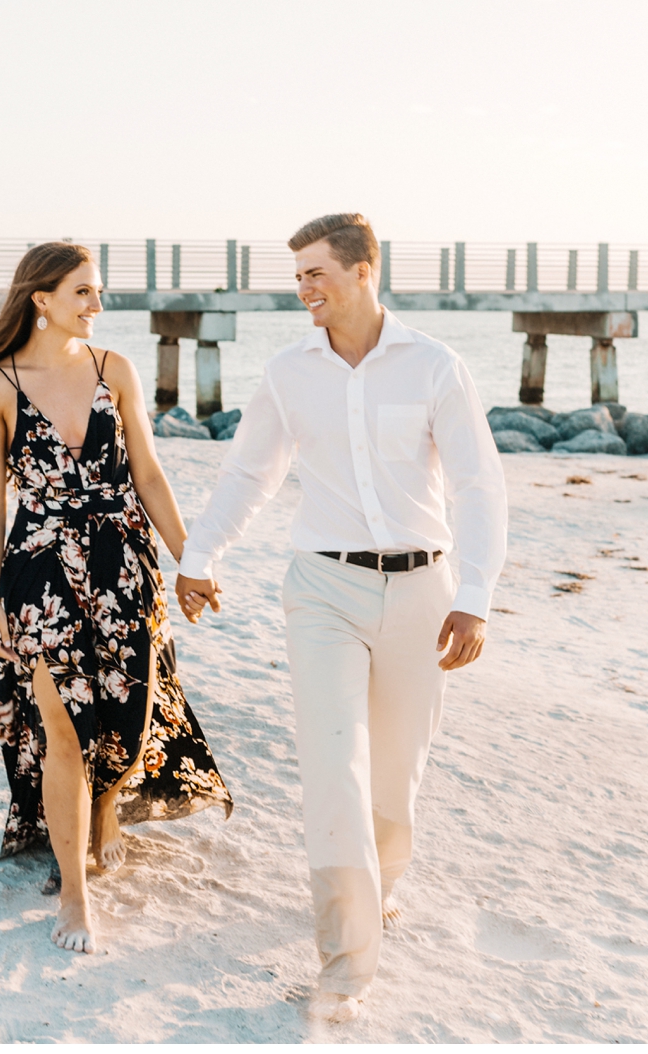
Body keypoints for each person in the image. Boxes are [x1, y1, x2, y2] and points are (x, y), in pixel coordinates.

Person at [175, 213, 507, 1022]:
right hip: (321, 588)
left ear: (365, 270)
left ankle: (380, 885)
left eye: (317, 273)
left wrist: (475, 597)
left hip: (424, 593)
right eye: (298, 277)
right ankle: (346, 966)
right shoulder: (289, 373)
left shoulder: (435, 366)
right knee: (334, 768)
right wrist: (199, 556)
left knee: (395, 774)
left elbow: (477, 485)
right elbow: (250, 473)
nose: (304, 290)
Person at [0, 242, 232, 956]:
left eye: (99, 291)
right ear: (41, 299)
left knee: (125, 707)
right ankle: (75, 892)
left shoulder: (115, 370)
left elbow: (148, 472)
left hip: (124, 562)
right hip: (40, 570)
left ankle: (107, 811)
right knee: (62, 725)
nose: (97, 304)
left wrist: (191, 560)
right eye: (83, 291)